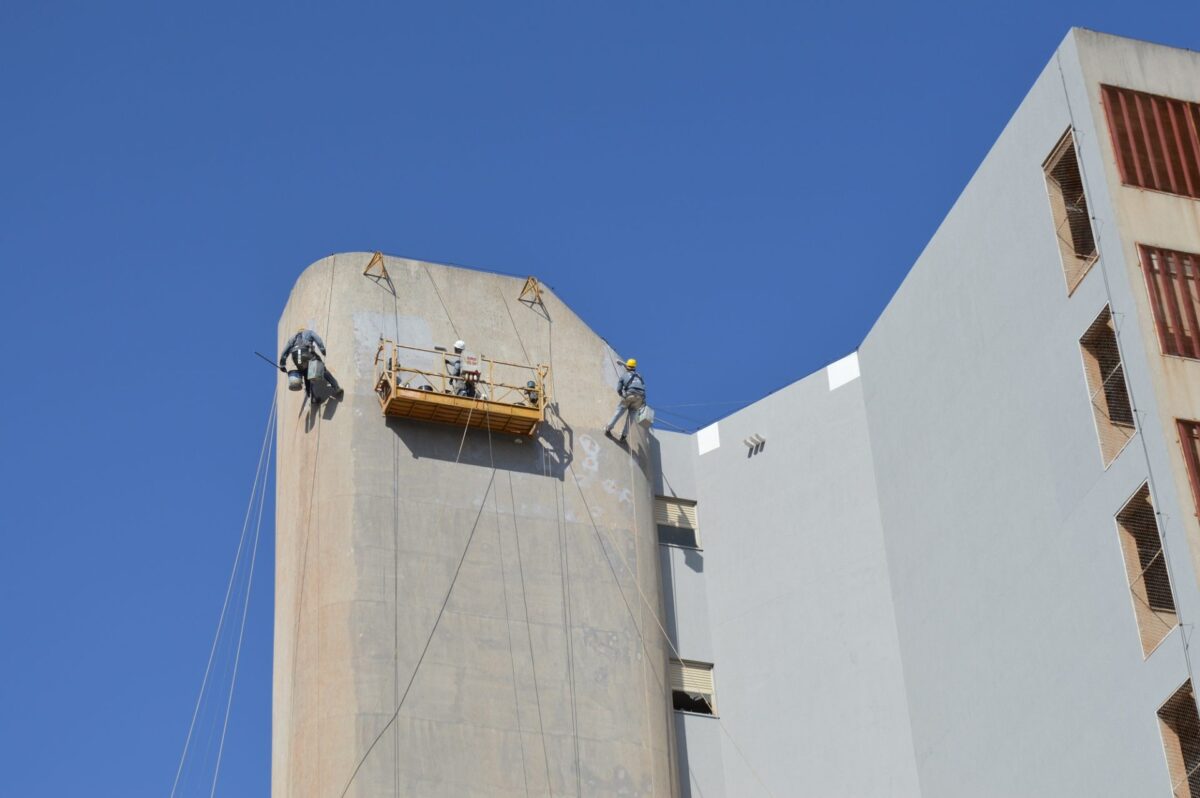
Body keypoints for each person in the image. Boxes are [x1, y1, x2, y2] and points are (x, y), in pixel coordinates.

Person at [279, 327, 343, 405]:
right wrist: (322, 349)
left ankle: (312, 398)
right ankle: (336, 387)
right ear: (304, 330)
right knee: (322, 368)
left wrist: (282, 364)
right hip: (306, 353)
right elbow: (318, 339)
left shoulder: (292, 338)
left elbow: (284, 352)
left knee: (306, 374)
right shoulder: (309, 332)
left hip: (297, 357)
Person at [605, 358, 645, 442]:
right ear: (634, 367)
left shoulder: (624, 376)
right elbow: (643, 387)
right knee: (631, 418)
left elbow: (619, 389)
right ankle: (624, 435)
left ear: (627, 367)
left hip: (629, 395)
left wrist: (622, 394)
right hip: (640, 398)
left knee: (619, 412)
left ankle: (608, 428)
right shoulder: (639, 376)